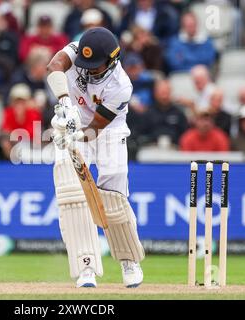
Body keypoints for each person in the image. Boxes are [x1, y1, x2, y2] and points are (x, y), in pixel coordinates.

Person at [46, 27, 145, 288]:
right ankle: (85, 266)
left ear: (112, 61)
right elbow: (54, 65)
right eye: (85, 64)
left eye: (96, 66)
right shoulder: (78, 51)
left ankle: (128, 260)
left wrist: (76, 132)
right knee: (71, 193)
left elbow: (94, 131)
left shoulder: (121, 86)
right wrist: (65, 105)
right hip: (72, 121)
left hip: (105, 131)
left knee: (113, 194)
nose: (89, 70)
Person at [138, 79, 188, 148]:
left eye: (166, 93)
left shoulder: (179, 113)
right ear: (155, 93)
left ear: (170, 93)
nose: (164, 96)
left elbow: (186, 134)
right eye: (161, 93)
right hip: (151, 149)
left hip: (175, 149)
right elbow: (140, 134)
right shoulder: (148, 113)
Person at [0, 83, 42, 159]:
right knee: (5, 143)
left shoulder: (34, 114)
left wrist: (18, 136)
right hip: (14, 144)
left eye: (22, 101)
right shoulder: (8, 113)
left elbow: (36, 135)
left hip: (31, 146)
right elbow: (5, 131)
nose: (19, 104)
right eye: (17, 101)